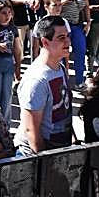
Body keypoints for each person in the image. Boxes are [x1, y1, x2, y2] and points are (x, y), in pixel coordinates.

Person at [15, 15, 74, 154]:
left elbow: (66, 111)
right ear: (45, 42)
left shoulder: (60, 67)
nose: (68, 41)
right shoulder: (37, 79)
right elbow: (31, 131)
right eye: (61, 38)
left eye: (67, 36)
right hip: (34, 156)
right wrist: (44, 164)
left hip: (59, 148)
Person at [51, 0, 90, 85]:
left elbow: (85, 5)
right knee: (61, 54)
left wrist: (88, 21)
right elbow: (50, 5)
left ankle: (79, 81)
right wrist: (62, 2)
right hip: (61, 26)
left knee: (80, 51)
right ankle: (62, 81)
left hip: (76, 24)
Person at [0, 0, 20, 113]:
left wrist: (18, 66)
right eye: (3, 13)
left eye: (9, 12)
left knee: (7, 95)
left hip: (9, 62)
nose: (7, 16)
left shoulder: (13, 28)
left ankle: (5, 123)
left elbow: (17, 48)